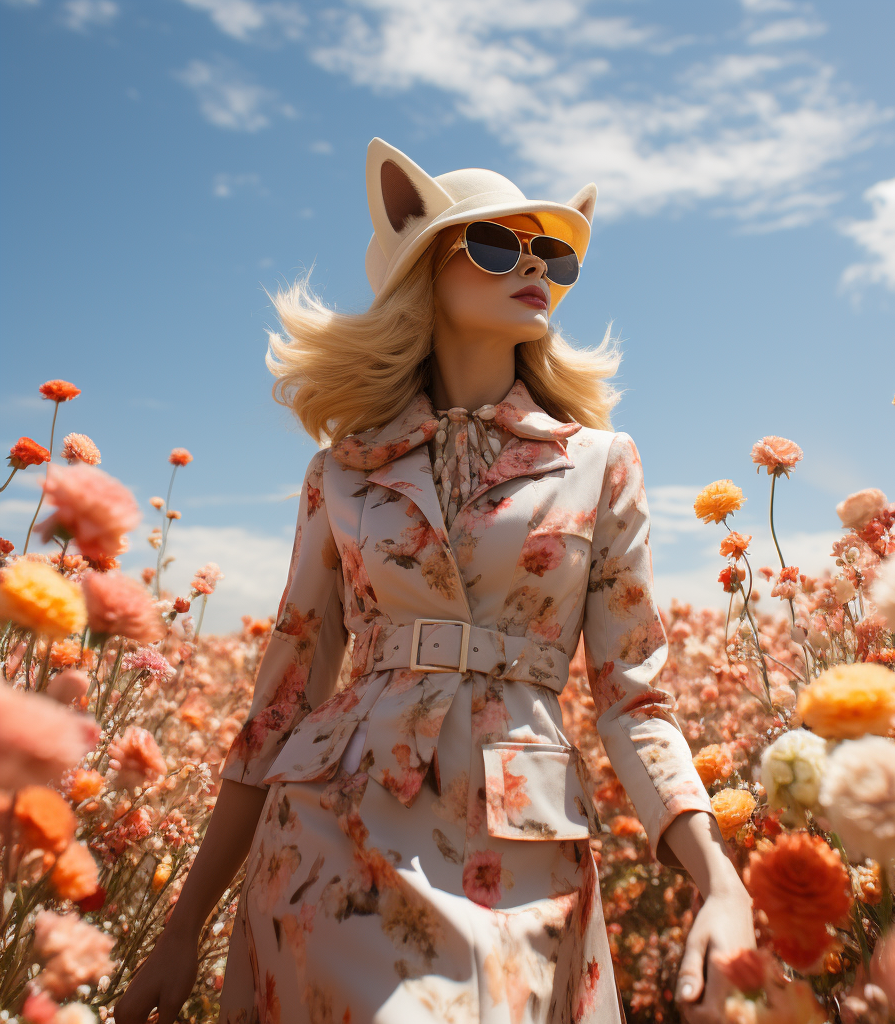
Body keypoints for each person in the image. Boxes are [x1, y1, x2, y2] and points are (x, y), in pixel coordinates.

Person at [115, 138, 755, 1024]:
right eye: (497, 246)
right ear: (424, 270)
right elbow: (280, 706)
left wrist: (720, 880)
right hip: (330, 836)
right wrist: (182, 927)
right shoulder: (337, 473)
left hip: (518, 856)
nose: (533, 267)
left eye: (554, 256)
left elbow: (633, 702)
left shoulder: (603, 464)